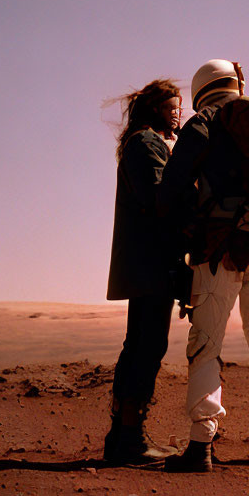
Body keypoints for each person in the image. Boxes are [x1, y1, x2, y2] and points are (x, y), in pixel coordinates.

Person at [158, 60, 249, 472]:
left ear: (201, 88)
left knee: (206, 345)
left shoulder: (202, 123)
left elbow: (171, 192)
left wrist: (186, 226)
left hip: (216, 251)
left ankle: (201, 444)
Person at [103, 79, 183, 464]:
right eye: (171, 108)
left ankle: (122, 438)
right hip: (151, 264)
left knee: (139, 344)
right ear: (155, 111)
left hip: (147, 263)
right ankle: (131, 441)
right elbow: (160, 201)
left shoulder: (144, 143)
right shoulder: (146, 144)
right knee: (148, 346)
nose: (178, 113)